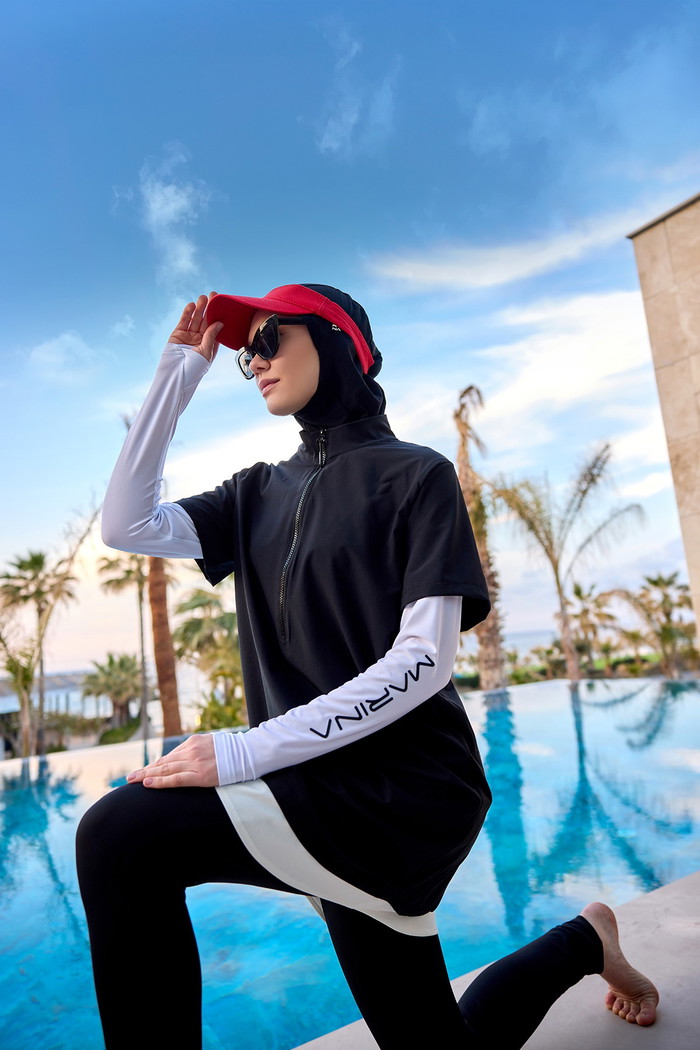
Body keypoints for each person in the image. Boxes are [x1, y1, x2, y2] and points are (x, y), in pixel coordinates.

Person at [76, 285, 659, 1049]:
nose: (253, 362)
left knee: (120, 836)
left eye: (269, 339)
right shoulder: (253, 494)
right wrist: (178, 373)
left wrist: (245, 751)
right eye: (244, 354)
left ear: (336, 340)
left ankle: (583, 941)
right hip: (307, 783)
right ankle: (586, 940)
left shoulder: (416, 476)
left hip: (398, 792)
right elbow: (126, 524)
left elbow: (424, 661)